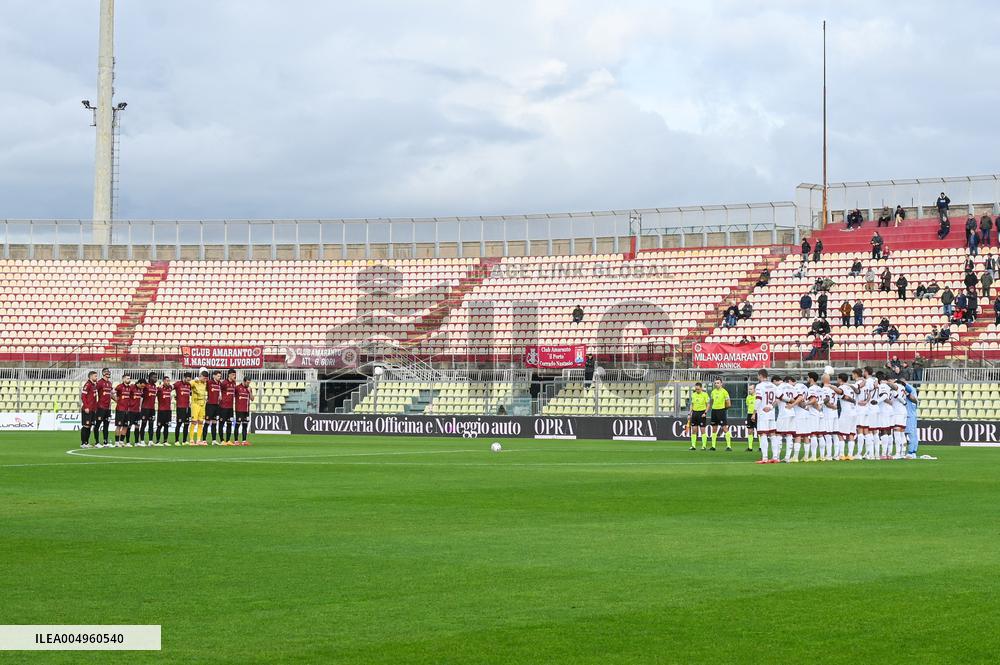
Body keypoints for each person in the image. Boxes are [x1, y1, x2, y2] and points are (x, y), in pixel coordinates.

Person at [753, 370, 780, 464]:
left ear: (760, 375)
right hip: (771, 413)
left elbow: (759, 399)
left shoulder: (759, 386)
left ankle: (765, 458)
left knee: (763, 434)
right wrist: (771, 407)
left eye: (758, 376)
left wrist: (754, 412)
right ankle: (775, 457)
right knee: (773, 435)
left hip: (762, 413)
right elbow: (778, 398)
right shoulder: (773, 385)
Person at [708, 379, 733, 451]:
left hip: (721, 411)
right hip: (714, 411)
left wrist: (724, 409)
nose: (716, 384)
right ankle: (713, 446)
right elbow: (712, 401)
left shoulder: (724, 392)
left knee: (724, 428)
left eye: (718, 383)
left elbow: (728, 403)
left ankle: (729, 446)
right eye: (715, 383)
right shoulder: (713, 392)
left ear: (721, 384)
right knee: (714, 429)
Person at [94, 367, 114, 447]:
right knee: (98, 425)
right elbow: (94, 392)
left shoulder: (109, 383)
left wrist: (117, 400)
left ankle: (105, 442)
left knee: (106, 425)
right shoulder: (99, 383)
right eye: (106, 372)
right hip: (101, 407)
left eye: (109, 372)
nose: (108, 373)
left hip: (108, 408)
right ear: (103, 373)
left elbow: (111, 394)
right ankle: (97, 442)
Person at [79, 370, 98, 449]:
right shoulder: (88, 384)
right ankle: (83, 442)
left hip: (92, 409)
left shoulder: (94, 385)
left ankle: (86, 442)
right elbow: (83, 396)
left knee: (89, 426)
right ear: (91, 377)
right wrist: (86, 407)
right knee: (86, 426)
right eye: (95, 376)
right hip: (87, 409)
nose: (96, 377)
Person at [113, 374, 134, 447]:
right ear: (123, 379)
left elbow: (131, 396)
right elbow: (111, 393)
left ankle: (121, 441)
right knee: (119, 426)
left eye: (129, 378)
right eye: (127, 378)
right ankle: (116, 442)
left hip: (127, 410)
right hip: (120, 409)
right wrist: (115, 399)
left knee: (125, 426)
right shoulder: (119, 386)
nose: (129, 379)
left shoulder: (130, 388)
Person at [688, 382, 710, 450]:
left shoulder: (705, 394)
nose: (697, 390)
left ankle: (704, 446)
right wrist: (690, 413)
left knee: (702, 430)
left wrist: (705, 413)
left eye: (698, 389)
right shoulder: (693, 395)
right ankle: (693, 446)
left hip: (701, 413)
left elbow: (708, 404)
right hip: (694, 413)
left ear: (701, 388)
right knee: (694, 430)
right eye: (696, 389)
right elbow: (692, 404)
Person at [173, 372, 193, 445]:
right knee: (179, 424)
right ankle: (176, 441)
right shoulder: (178, 384)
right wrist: (175, 396)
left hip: (188, 407)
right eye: (187, 379)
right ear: (184, 377)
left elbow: (190, 394)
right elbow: (170, 388)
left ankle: (184, 441)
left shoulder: (189, 385)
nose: (188, 381)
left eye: (189, 380)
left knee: (187, 424)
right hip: (180, 407)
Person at [190, 370, 208, 445]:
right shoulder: (195, 382)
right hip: (195, 404)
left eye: (206, 378)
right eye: (204, 378)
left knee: (201, 422)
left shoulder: (205, 384)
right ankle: (191, 440)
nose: (205, 380)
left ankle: (198, 440)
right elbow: (188, 384)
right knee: (194, 422)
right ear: (201, 376)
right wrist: (194, 380)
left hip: (203, 405)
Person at [235, 376, 254, 446]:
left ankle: (244, 441)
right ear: (244, 381)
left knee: (245, 426)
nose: (248, 384)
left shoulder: (249, 388)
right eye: (247, 382)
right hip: (239, 410)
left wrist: (250, 392)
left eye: (249, 382)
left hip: (246, 410)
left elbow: (252, 399)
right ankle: (236, 441)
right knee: (237, 425)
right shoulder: (237, 388)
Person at [220, 369, 238, 445]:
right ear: (229, 375)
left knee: (229, 423)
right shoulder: (224, 383)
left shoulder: (234, 383)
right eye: (233, 374)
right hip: (223, 407)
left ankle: (228, 440)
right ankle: (222, 440)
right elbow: (219, 391)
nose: (235, 376)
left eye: (235, 374)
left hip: (230, 407)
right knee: (221, 423)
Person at [138, 375, 157, 446]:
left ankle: (150, 441)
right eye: (154, 377)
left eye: (156, 377)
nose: (156, 379)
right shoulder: (145, 386)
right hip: (145, 408)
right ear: (150, 378)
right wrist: (140, 407)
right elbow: (141, 396)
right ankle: (142, 441)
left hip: (152, 408)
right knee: (143, 424)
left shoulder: (155, 386)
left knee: (151, 425)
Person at [154, 375, 173, 446]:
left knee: (166, 426)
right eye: (167, 381)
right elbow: (154, 393)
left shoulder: (170, 388)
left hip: (168, 410)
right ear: (164, 381)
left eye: (169, 381)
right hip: (161, 410)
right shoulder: (159, 389)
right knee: (159, 426)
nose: (168, 382)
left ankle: (165, 441)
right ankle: (157, 441)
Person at [206, 370, 223, 445]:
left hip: (217, 405)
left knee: (214, 422)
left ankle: (214, 440)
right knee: (207, 422)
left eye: (220, 376)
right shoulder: (209, 382)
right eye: (218, 376)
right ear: (214, 376)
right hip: (210, 405)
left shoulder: (220, 384)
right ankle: (203, 440)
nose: (219, 377)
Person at [904, 381, 919, 458]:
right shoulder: (914, 390)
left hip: (909, 415)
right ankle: (913, 452)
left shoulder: (909, 389)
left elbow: (906, 387)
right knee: (914, 434)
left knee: (910, 434)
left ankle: (910, 452)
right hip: (913, 415)